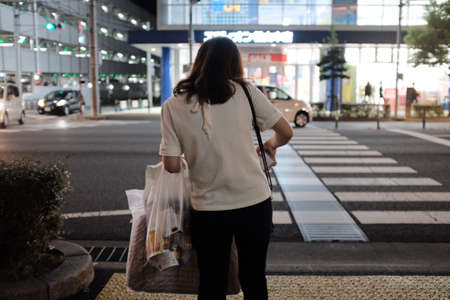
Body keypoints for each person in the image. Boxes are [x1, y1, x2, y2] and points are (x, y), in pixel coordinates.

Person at [159, 37, 293, 300]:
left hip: (208, 209)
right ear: (235, 63)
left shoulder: (173, 106)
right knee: (254, 277)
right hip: (254, 201)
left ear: (199, 63)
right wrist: (270, 145)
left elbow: (172, 166)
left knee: (211, 280)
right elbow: (286, 132)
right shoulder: (246, 92)